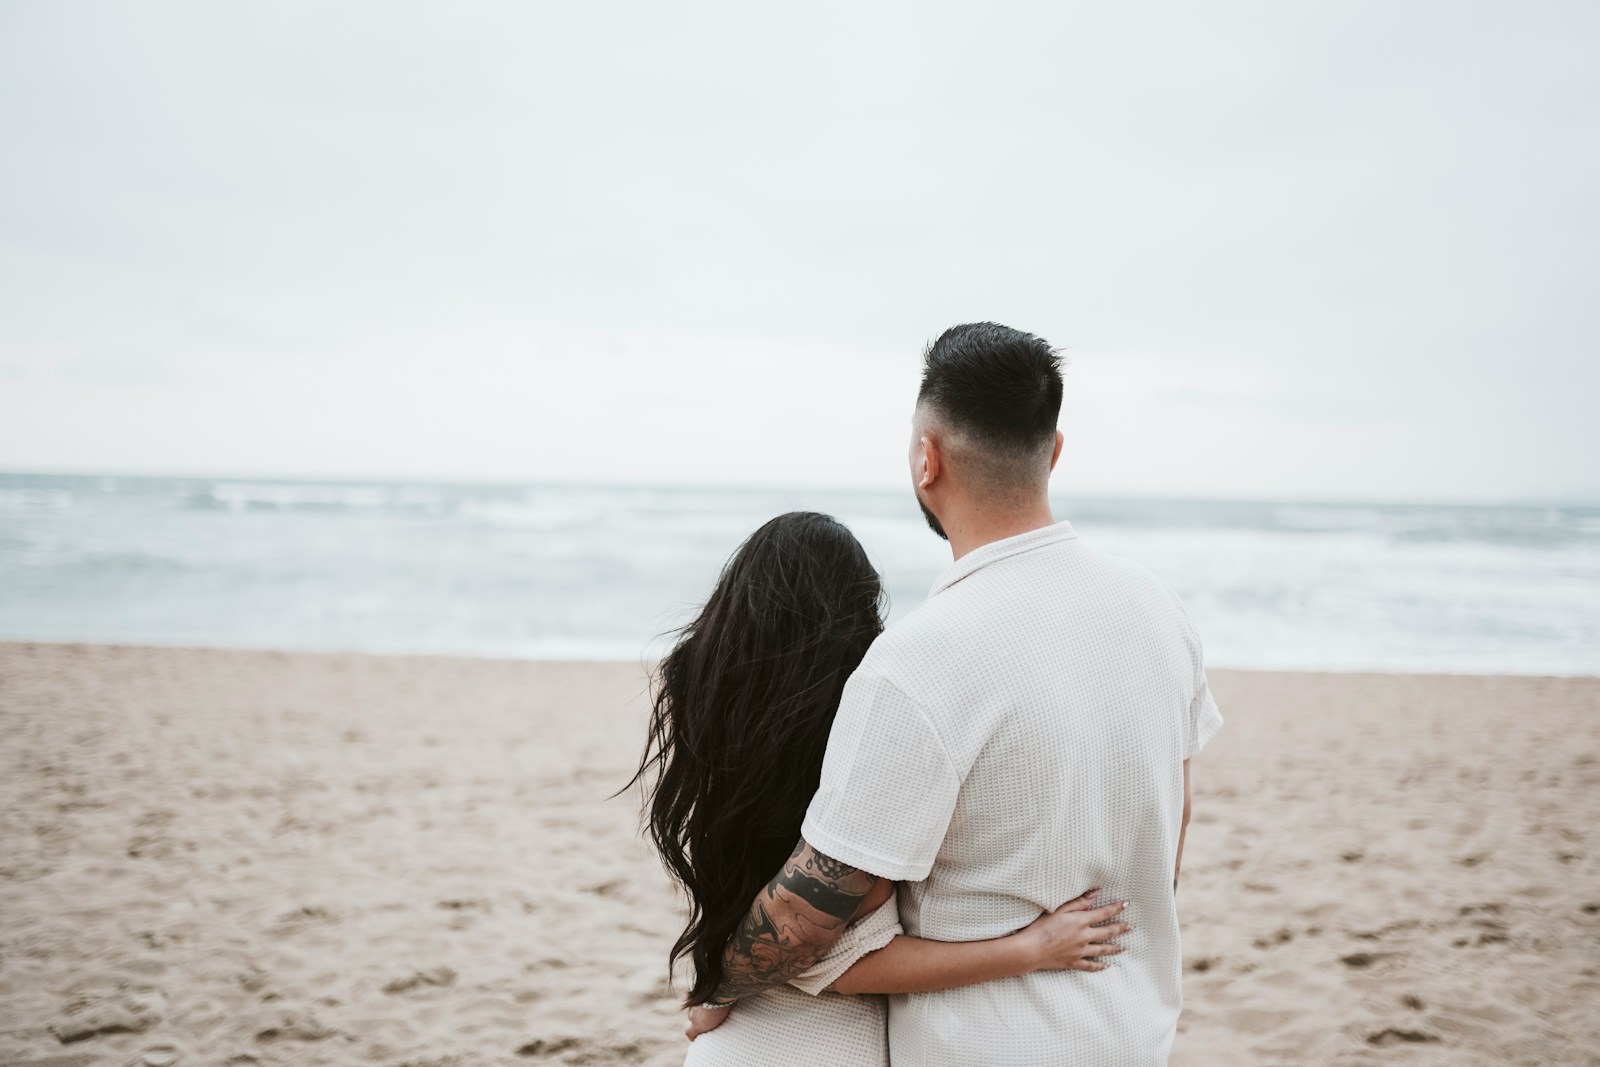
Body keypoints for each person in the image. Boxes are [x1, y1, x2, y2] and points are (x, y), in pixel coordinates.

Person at [695, 323, 1225, 1065]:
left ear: (926, 459)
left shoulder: (917, 661)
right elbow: (1175, 819)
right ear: (1055, 452)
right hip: (1132, 1036)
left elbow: (808, 920)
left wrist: (717, 973)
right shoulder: (1159, 610)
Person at [624, 510, 1133, 1065]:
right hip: (822, 1047)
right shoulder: (859, 753)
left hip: (736, 1042)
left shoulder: (720, 723)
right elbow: (842, 968)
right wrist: (1030, 949)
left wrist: (716, 986)